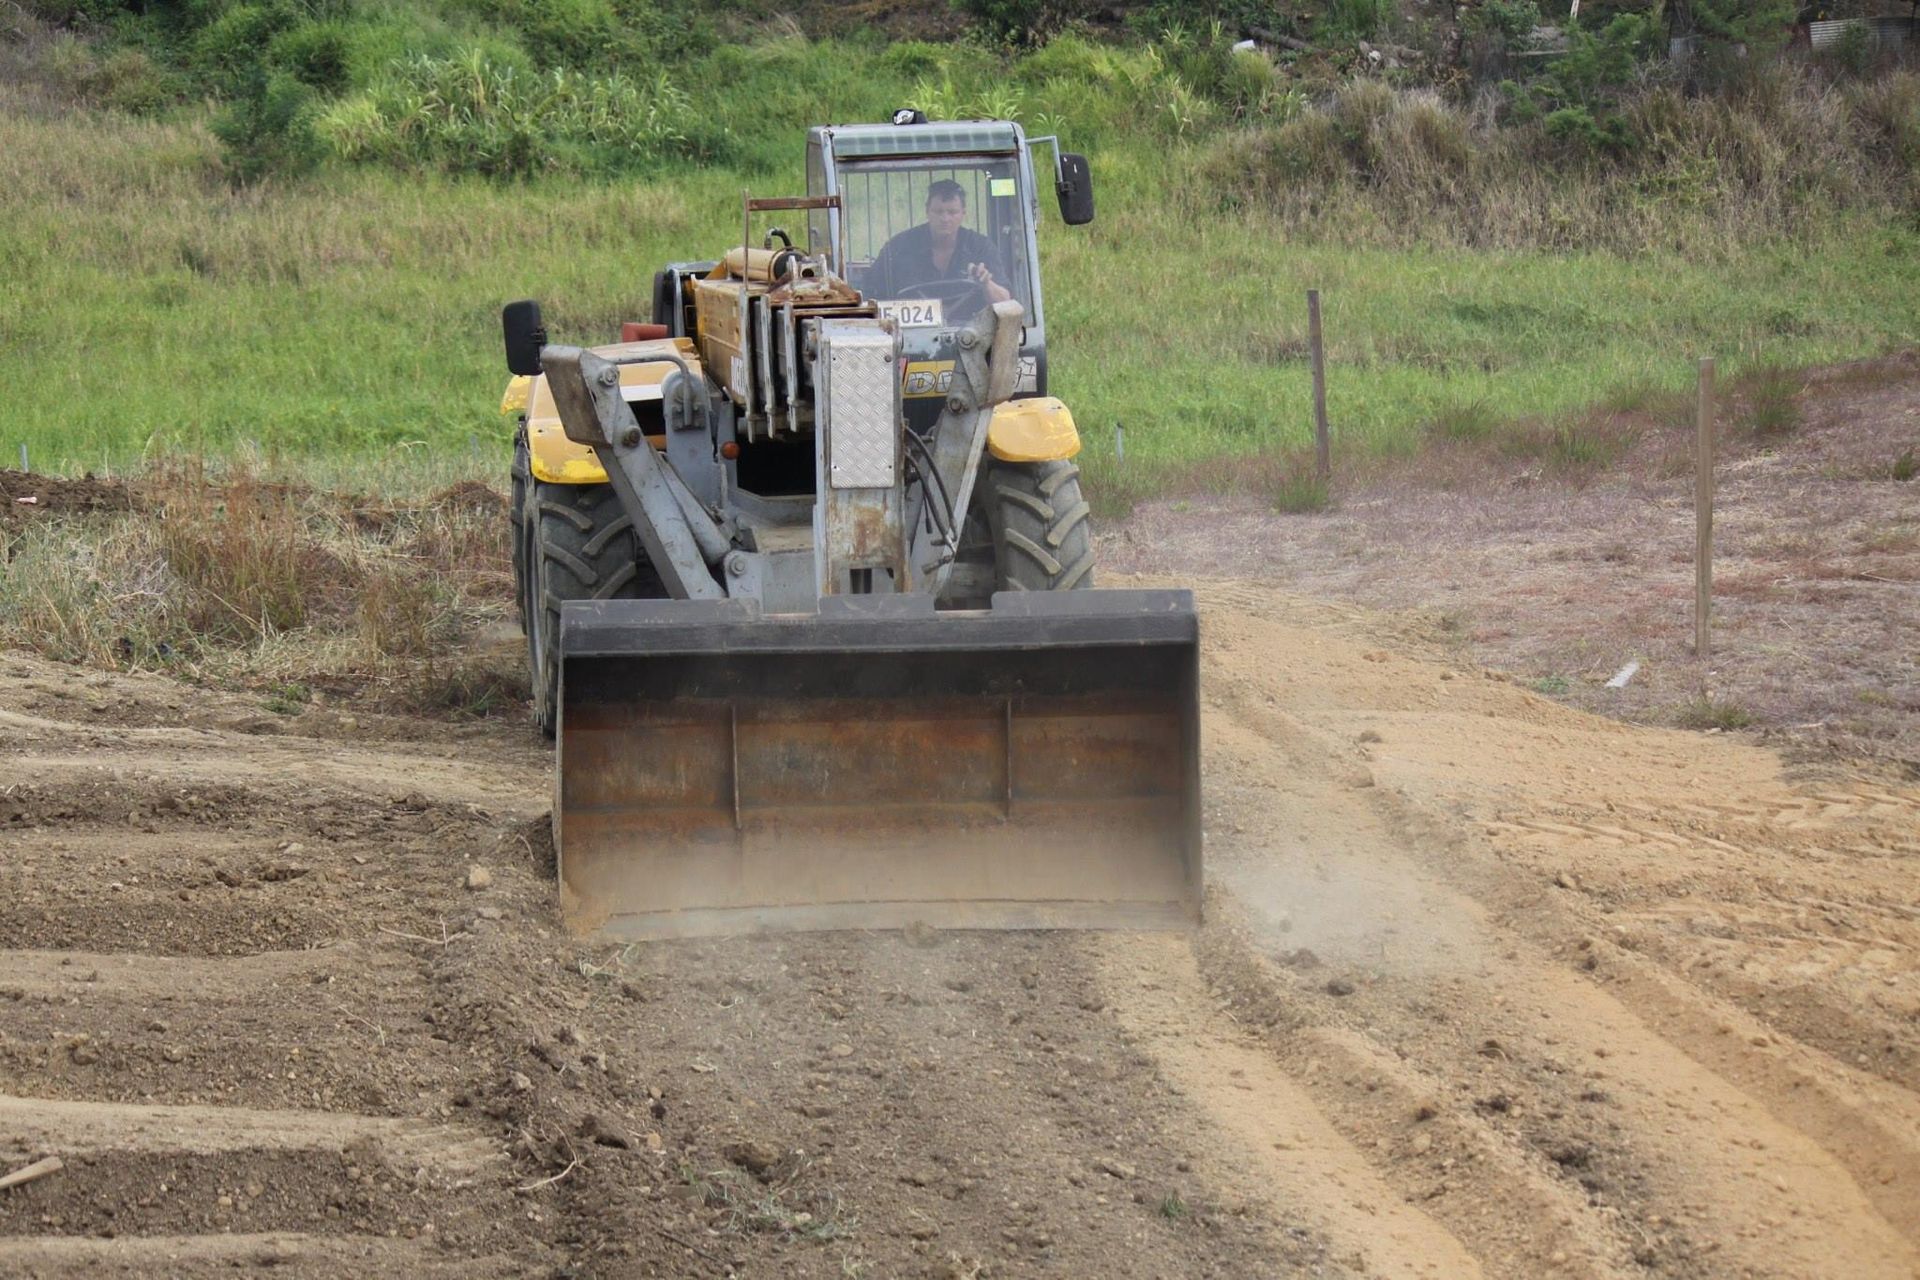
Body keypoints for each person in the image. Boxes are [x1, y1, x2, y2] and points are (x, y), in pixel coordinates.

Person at [862, 179, 1013, 313]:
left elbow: (1006, 304)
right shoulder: (897, 249)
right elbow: (868, 294)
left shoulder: (981, 248)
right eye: (938, 211)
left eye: (952, 212)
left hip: (973, 336)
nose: (945, 218)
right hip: (908, 337)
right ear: (927, 212)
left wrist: (986, 283)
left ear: (963, 213)